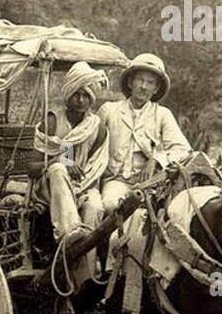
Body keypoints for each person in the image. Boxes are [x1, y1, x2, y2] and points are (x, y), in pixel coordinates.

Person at [34, 61, 109, 287]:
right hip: (50, 188)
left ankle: (84, 278)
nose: (81, 100)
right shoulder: (53, 122)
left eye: (86, 95)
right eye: (76, 94)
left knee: (95, 205)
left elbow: (95, 169)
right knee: (57, 169)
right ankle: (69, 234)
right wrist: (60, 162)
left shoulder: (97, 128)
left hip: (85, 187)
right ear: (67, 94)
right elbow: (32, 166)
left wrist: (81, 185)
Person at [97, 53, 192, 214]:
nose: (144, 86)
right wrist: (69, 162)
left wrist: (157, 159)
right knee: (111, 206)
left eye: (150, 82)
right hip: (116, 182)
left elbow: (183, 149)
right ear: (130, 82)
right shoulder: (109, 110)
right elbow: (83, 139)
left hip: (150, 185)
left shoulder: (162, 114)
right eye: (140, 80)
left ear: (156, 89)